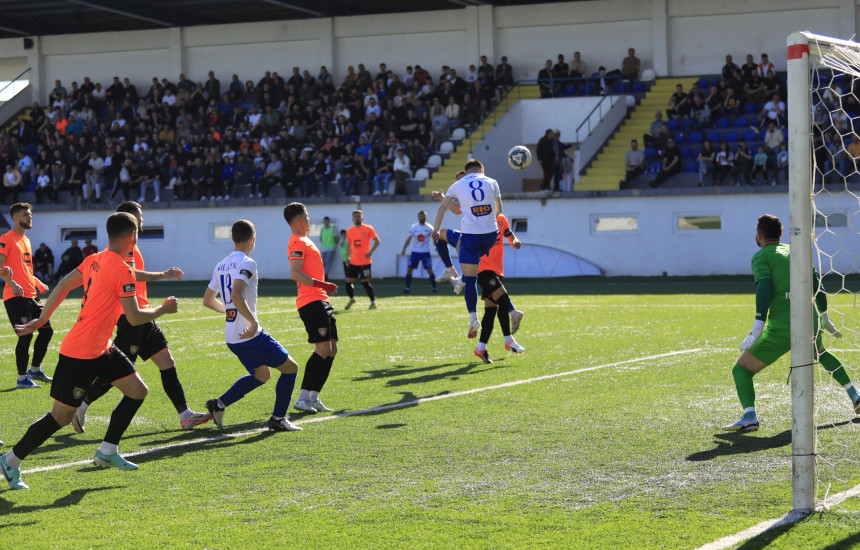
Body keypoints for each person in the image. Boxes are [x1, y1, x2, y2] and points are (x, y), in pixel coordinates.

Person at [0, 212, 179, 489]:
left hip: (102, 348)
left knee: (137, 390)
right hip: (80, 353)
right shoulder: (121, 268)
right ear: (132, 236)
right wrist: (163, 309)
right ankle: (10, 460)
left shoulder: (94, 259)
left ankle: (107, 450)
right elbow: (134, 318)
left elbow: (61, 284)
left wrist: (44, 317)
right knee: (60, 417)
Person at [71, 202, 211, 433]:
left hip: (144, 316)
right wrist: (163, 275)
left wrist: (163, 275)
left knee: (167, 363)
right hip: (131, 318)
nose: (141, 220)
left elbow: (134, 275)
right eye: (138, 217)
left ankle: (185, 414)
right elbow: (131, 277)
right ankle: (81, 406)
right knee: (119, 371)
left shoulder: (131, 247)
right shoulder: (122, 248)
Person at [722, 214, 860, 432]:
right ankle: (855, 394)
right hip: (810, 319)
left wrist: (758, 327)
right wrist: (825, 318)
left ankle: (749, 416)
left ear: (759, 234)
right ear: (781, 234)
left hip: (783, 328)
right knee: (821, 353)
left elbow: (764, 288)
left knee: (741, 370)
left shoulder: (761, 257)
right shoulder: (797, 251)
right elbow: (818, 286)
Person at [202, 219, 302, 432]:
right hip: (250, 335)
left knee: (262, 375)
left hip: (232, 336)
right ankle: (278, 419)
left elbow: (208, 300)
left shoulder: (221, 264)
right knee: (290, 368)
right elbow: (237, 294)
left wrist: (230, 311)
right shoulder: (248, 262)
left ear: (232, 239)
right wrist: (253, 321)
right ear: (252, 239)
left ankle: (218, 405)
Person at [433, 159, 502, 338]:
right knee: (472, 266)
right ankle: (457, 277)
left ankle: (473, 318)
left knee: (471, 278)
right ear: (482, 170)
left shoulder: (457, 185)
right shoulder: (491, 181)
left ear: (466, 172)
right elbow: (499, 210)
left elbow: (442, 208)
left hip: (470, 236)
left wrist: (434, 231)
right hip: (490, 235)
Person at [284, 203, 340, 414]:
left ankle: (313, 397)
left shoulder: (305, 240)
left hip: (321, 300)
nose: (309, 220)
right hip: (311, 301)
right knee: (323, 349)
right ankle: (302, 398)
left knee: (332, 348)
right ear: (301, 220)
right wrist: (323, 284)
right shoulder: (297, 241)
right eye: (306, 216)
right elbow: (295, 273)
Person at [0, 203, 53, 388]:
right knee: (26, 335)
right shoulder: (6, 239)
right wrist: (12, 284)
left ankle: (35, 370)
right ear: (15, 218)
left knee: (47, 331)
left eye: (30, 214)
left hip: (31, 295)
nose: (29, 217)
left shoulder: (27, 240)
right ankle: (22, 378)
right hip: (15, 297)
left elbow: (26, 269)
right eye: (25, 215)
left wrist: (38, 283)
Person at [473, 213, 526, 363]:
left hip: (498, 270)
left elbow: (510, 235)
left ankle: (481, 348)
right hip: (482, 270)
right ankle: (512, 321)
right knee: (503, 300)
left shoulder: (501, 219)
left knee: (491, 311)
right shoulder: (479, 219)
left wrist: (515, 241)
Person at [344, 210, 380, 310]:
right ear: (352, 219)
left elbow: (377, 241)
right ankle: (352, 299)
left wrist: (371, 252)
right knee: (348, 281)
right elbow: (349, 245)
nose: (357, 217)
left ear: (362, 218)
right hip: (354, 262)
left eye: (359, 216)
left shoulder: (368, 229)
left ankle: (373, 302)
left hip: (365, 262)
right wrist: (348, 257)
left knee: (365, 282)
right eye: (355, 216)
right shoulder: (350, 230)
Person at [400, 210, 438, 294]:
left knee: (429, 270)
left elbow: (434, 238)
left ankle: (434, 287)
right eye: (421, 216)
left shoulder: (429, 227)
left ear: (426, 217)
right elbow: (408, 239)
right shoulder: (414, 227)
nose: (422, 217)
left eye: (423, 216)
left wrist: (436, 247)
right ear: (418, 217)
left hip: (425, 252)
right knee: (409, 269)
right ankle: (407, 288)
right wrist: (404, 249)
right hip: (415, 252)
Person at [319, 216, 338, 281]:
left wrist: (334, 245)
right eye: (325, 221)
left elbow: (337, 238)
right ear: (324, 222)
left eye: (327, 221)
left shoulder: (333, 228)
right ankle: (322, 275)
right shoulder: (322, 229)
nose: (326, 222)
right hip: (324, 248)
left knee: (328, 261)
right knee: (322, 262)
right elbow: (321, 238)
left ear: (329, 221)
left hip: (331, 248)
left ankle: (326, 275)